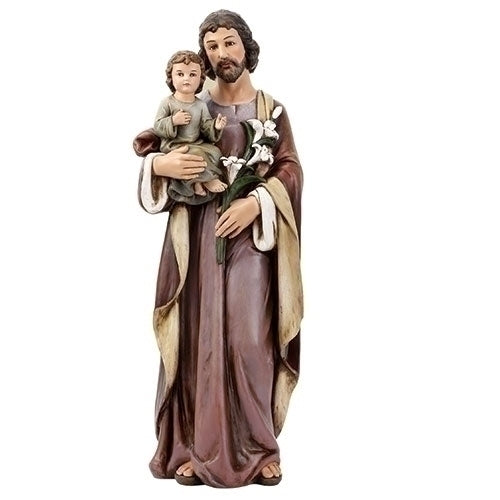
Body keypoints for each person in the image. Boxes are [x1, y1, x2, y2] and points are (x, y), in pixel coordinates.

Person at [135, 9, 303, 488]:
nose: (221, 53)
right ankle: (194, 445)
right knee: (199, 337)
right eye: (212, 46)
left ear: (246, 47)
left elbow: (291, 170)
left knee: (250, 338)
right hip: (196, 236)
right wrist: (160, 167)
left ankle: (259, 446)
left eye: (229, 43)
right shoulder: (190, 104)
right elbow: (155, 148)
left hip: (250, 239)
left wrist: (256, 203)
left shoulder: (270, 111)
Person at [154, 50, 227, 205]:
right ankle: (208, 180)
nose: (186, 79)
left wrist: (215, 126)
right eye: (180, 74)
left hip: (195, 143)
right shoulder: (168, 103)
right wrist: (173, 121)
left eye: (192, 74)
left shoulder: (200, 105)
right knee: (195, 155)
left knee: (215, 152)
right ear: (171, 77)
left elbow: (205, 125)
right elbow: (158, 126)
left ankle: (197, 183)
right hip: (175, 145)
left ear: (200, 79)